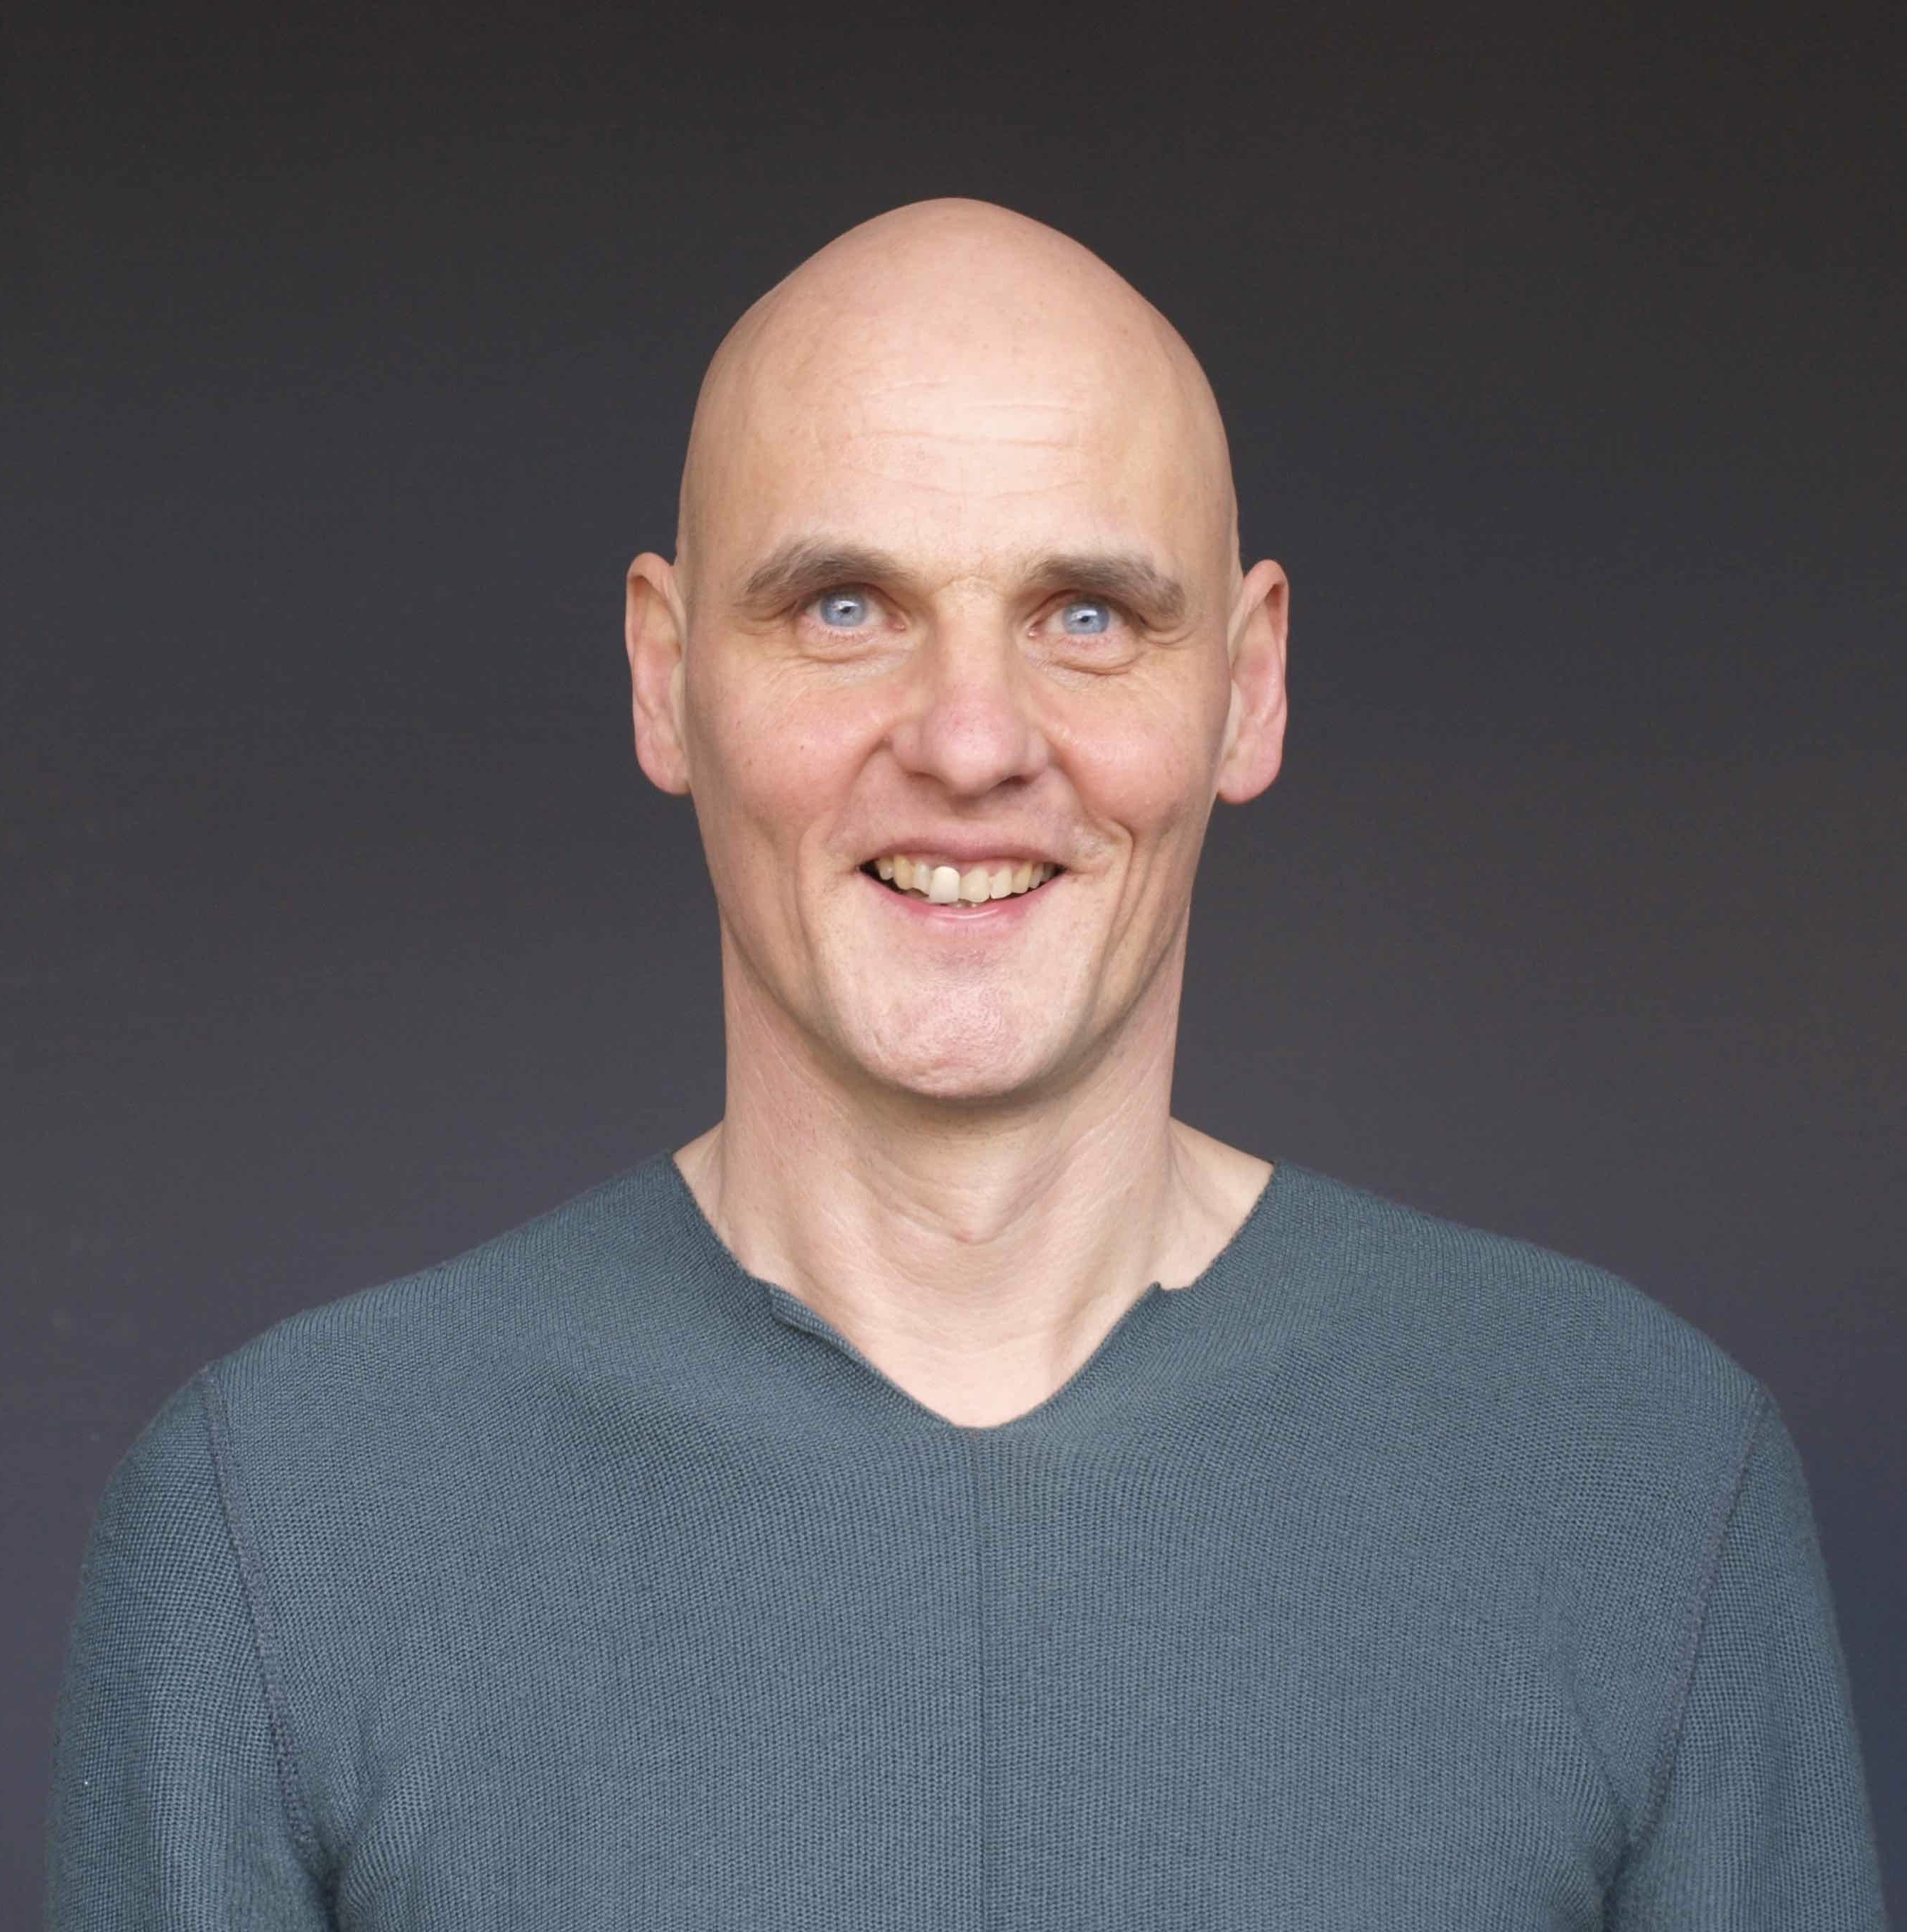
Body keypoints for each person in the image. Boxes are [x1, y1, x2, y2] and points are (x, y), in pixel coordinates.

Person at [45, 199, 1886, 1928]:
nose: (972, 740)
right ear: (664, 676)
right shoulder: (275, 1528)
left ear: (1247, 688)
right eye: (845, 607)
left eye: (1089, 617)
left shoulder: (1639, 1485)